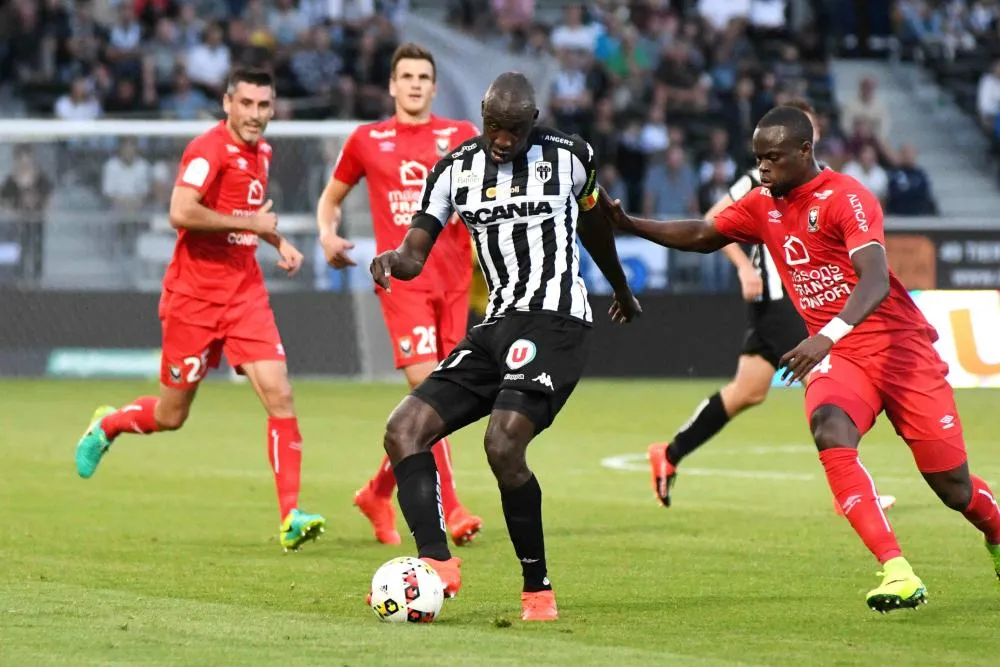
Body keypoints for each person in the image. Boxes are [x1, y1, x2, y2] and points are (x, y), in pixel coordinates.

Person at [603, 105, 1000, 613]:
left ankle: (995, 536)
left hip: (901, 353)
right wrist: (629, 222)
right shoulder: (761, 202)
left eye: (772, 158)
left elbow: (875, 280)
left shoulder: (847, 198)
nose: (762, 169)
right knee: (829, 428)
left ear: (805, 151)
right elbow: (704, 236)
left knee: (953, 486)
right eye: (757, 159)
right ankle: (897, 570)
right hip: (843, 359)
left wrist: (826, 335)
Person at [367, 72, 640, 621]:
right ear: (484, 117)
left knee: (503, 442)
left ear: (532, 123)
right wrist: (394, 260)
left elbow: (593, 226)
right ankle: (436, 565)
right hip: (495, 326)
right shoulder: (453, 169)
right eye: (495, 127)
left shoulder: (570, 156)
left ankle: (536, 587)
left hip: (556, 321)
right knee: (403, 430)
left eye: (515, 130)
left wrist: (621, 287)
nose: (503, 140)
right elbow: (417, 248)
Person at [74, 68, 326, 552]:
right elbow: (181, 212)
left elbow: (246, 214)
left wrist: (277, 240)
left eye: (264, 105)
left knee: (280, 393)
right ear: (228, 103)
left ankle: (290, 514)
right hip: (193, 299)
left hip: (245, 294)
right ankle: (108, 423)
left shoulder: (263, 152)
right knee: (171, 415)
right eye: (247, 104)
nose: (255, 115)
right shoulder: (206, 149)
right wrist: (253, 222)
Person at [647, 99, 895, 518]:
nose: (810, 138)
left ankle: (668, 453)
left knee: (747, 391)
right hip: (782, 300)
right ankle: (849, 492)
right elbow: (712, 219)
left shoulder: (814, 182)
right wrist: (744, 266)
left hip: (777, 304)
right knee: (830, 383)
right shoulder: (759, 178)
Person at [317, 43, 482, 547]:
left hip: (454, 284)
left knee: (438, 404)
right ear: (391, 85)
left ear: (434, 86)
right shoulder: (368, 139)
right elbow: (331, 199)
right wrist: (327, 235)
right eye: (405, 76)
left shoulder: (461, 137)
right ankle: (451, 508)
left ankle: (375, 492)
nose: (414, 83)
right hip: (403, 284)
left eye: (423, 76)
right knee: (435, 391)